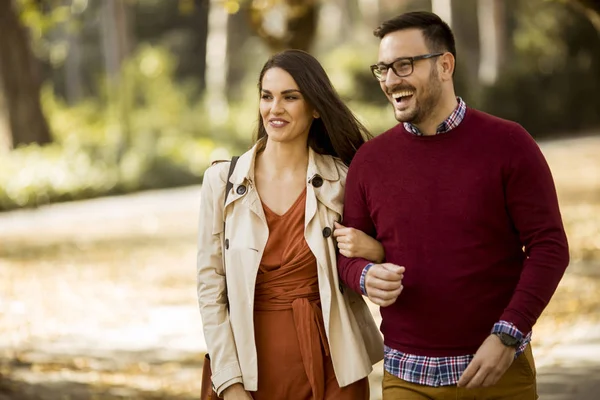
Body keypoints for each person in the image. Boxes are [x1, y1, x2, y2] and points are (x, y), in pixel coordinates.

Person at [337, 11, 570, 400]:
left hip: (498, 373)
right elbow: (345, 252)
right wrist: (363, 275)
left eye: (404, 65)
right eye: (383, 68)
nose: (391, 79)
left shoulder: (509, 144)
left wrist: (508, 335)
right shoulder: (370, 161)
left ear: (445, 65)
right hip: (406, 376)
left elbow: (550, 247)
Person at [196, 49, 384, 400]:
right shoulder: (221, 182)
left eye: (290, 97)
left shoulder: (342, 181)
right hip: (252, 372)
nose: (274, 108)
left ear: (315, 107)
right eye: (267, 96)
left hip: (335, 367)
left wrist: (373, 249)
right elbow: (210, 292)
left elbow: (385, 255)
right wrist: (230, 382)